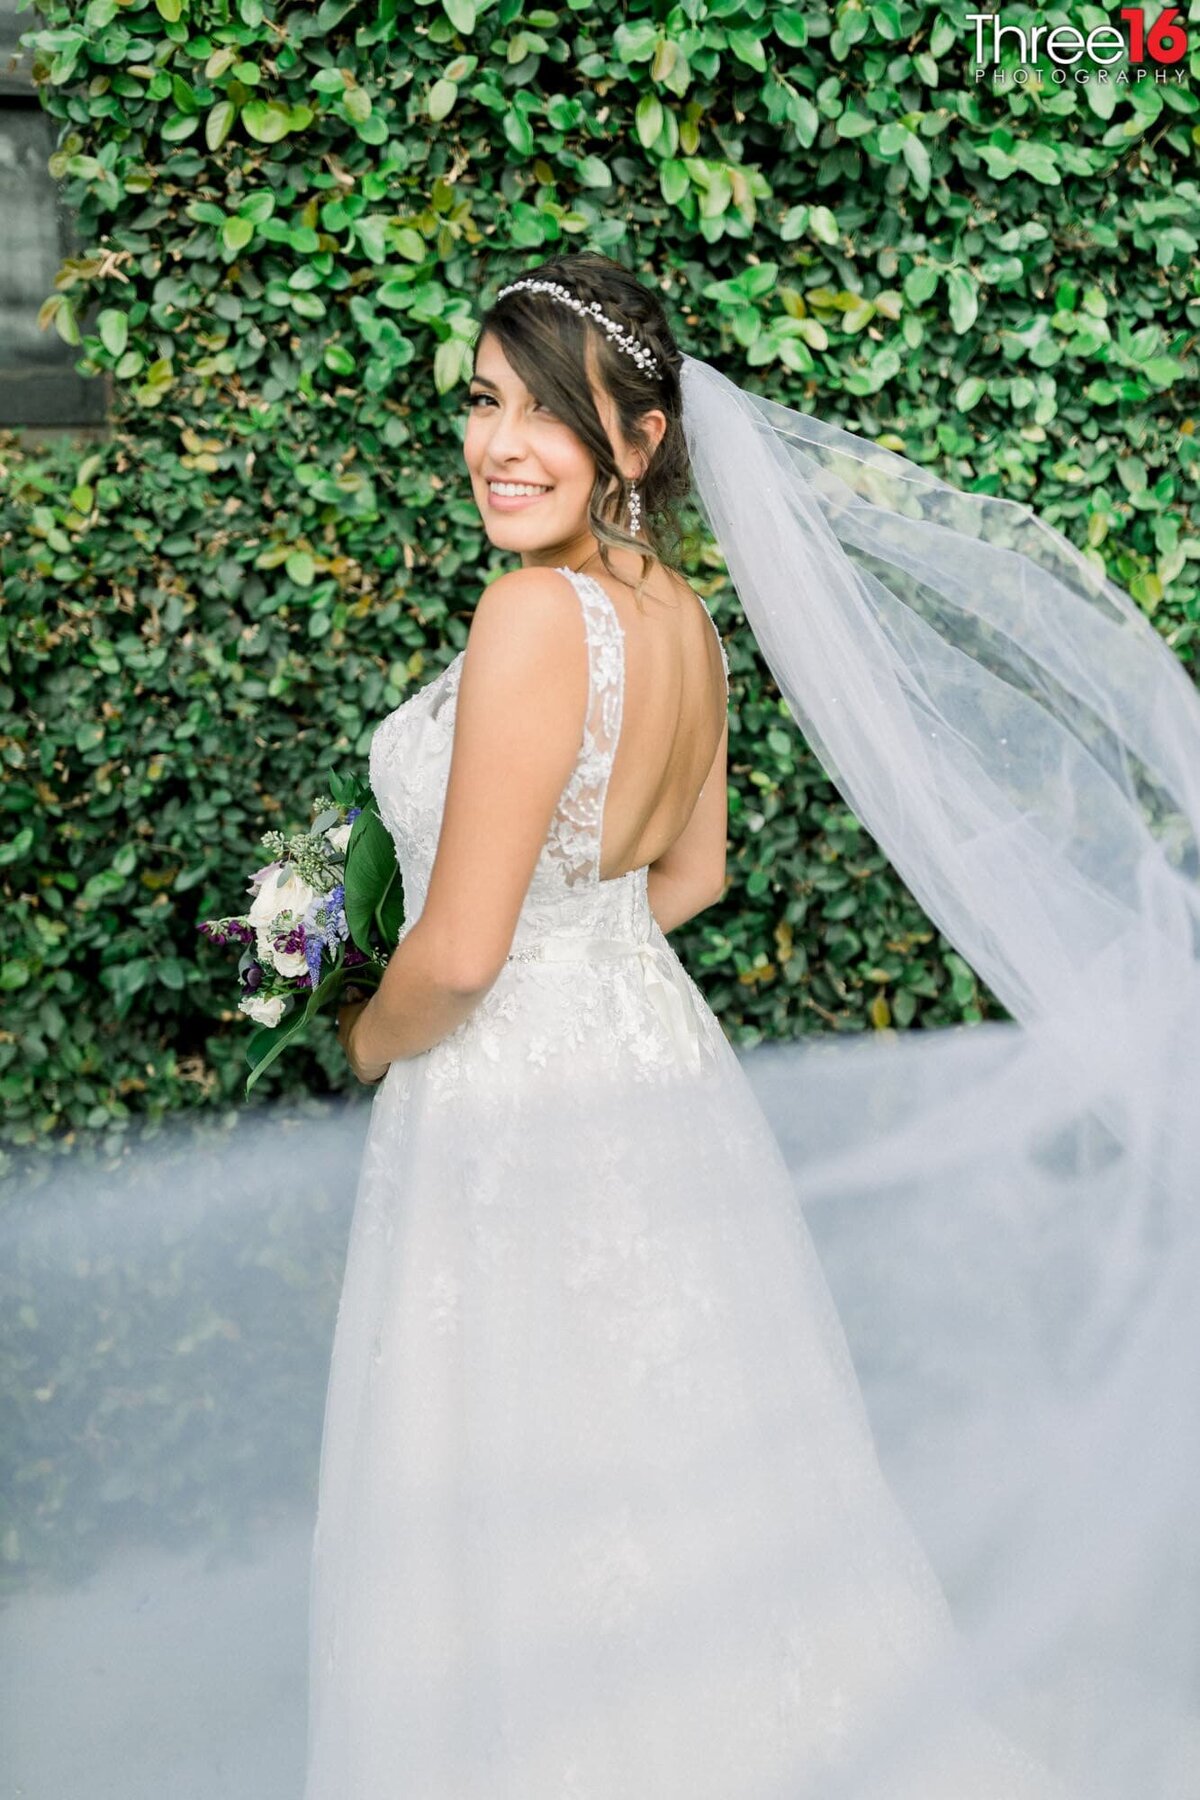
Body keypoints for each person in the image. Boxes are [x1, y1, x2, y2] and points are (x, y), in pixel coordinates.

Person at [300, 249, 1162, 1798]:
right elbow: (685, 881)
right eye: (484, 402)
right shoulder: (682, 620)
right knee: (687, 1465)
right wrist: (579, 950)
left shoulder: (531, 617)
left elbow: (466, 952)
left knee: (533, 1474)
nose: (497, 444)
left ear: (636, 441)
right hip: (653, 1068)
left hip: (518, 1090)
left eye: (544, 414)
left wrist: (355, 1034)